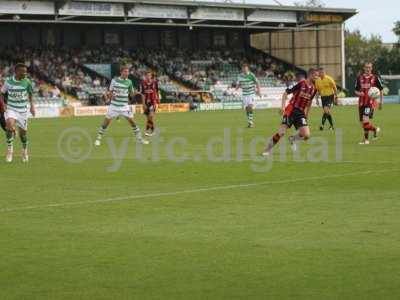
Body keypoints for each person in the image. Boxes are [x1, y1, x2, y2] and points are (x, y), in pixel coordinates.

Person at [263, 68, 319, 156]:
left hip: (300, 113)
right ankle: (267, 149)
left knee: (306, 135)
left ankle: (292, 139)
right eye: (316, 75)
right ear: (310, 75)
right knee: (281, 132)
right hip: (291, 109)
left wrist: (306, 114)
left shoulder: (314, 88)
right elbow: (285, 93)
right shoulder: (301, 83)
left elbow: (309, 102)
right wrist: (282, 107)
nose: (317, 77)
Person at [94, 65, 149, 146]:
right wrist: (111, 96)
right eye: (125, 71)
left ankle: (140, 139)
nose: (127, 73)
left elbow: (131, 94)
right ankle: (98, 139)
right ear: (121, 72)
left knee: (133, 122)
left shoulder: (129, 82)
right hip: (114, 106)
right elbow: (110, 92)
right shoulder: (114, 80)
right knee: (106, 122)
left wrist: (137, 93)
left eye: (128, 72)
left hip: (124, 106)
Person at [0, 63, 36, 162]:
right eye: (23, 71)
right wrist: (4, 105)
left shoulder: (27, 82)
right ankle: (10, 150)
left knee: (22, 134)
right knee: (9, 125)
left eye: (26, 71)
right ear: (16, 72)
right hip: (11, 109)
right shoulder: (8, 82)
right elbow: (2, 93)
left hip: (23, 111)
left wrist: (32, 106)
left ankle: (24, 150)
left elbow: (30, 94)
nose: (25, 73)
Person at [355, 62, 383, 145]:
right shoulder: (359, 78)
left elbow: (381, 90)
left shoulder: (375, 78)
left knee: (365, 120)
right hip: (361, 103)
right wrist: (359, 93)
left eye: (369, 67)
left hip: (370, 103)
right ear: (364, 68)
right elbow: (355, 90)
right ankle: (369, 137)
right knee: (363, 123)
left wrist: (381, 102)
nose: (368, 69)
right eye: (366, 67)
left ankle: (373, 132)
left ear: (372, 68)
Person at [237, 63, 261, 128]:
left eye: (246, 68)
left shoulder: (251, 75)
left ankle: (251, 122)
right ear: (242, 69)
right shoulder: (240, 76)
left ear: (247, 68)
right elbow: (239, 83)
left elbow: (257, 82)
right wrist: (236, 89)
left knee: (250, 106)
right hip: (244, 94)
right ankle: (249, 122)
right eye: (243, 68)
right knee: (247, 108)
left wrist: (259, 91)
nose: (244, 69)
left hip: (251, 93)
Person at [139, 71, 159, 137]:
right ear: (145, 76)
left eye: (149, 75)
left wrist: (157, 100)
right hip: (146, 103)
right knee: (148, 118)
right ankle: (148, 131)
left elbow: (157, 91)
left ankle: (152, 131)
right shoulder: (142, 83)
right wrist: (143, 104)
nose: (148, 77)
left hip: (153, 102)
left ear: (151, 76)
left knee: (151, 116)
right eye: (147, 75)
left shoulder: (155, 83)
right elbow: (142, 94)